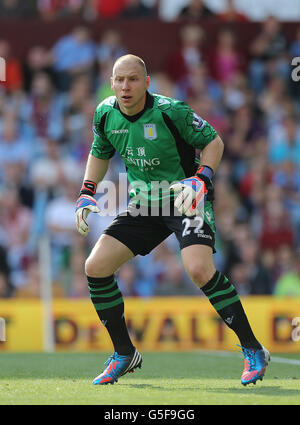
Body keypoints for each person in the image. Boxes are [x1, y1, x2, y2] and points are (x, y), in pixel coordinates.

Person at [75, 54, 270, 386]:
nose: (125, 86)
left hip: (184, 198)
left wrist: (201, 178)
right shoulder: (105, 113)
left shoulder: (171, 111)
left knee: (199, 270)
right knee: (95, 267)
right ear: (111, 83)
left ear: (147, 82)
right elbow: (100, 150)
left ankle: (253, 349)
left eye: (133, 79)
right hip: (145, 204)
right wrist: (87, 191)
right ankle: (124, 353)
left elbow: (213, 142)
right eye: (119, 80)